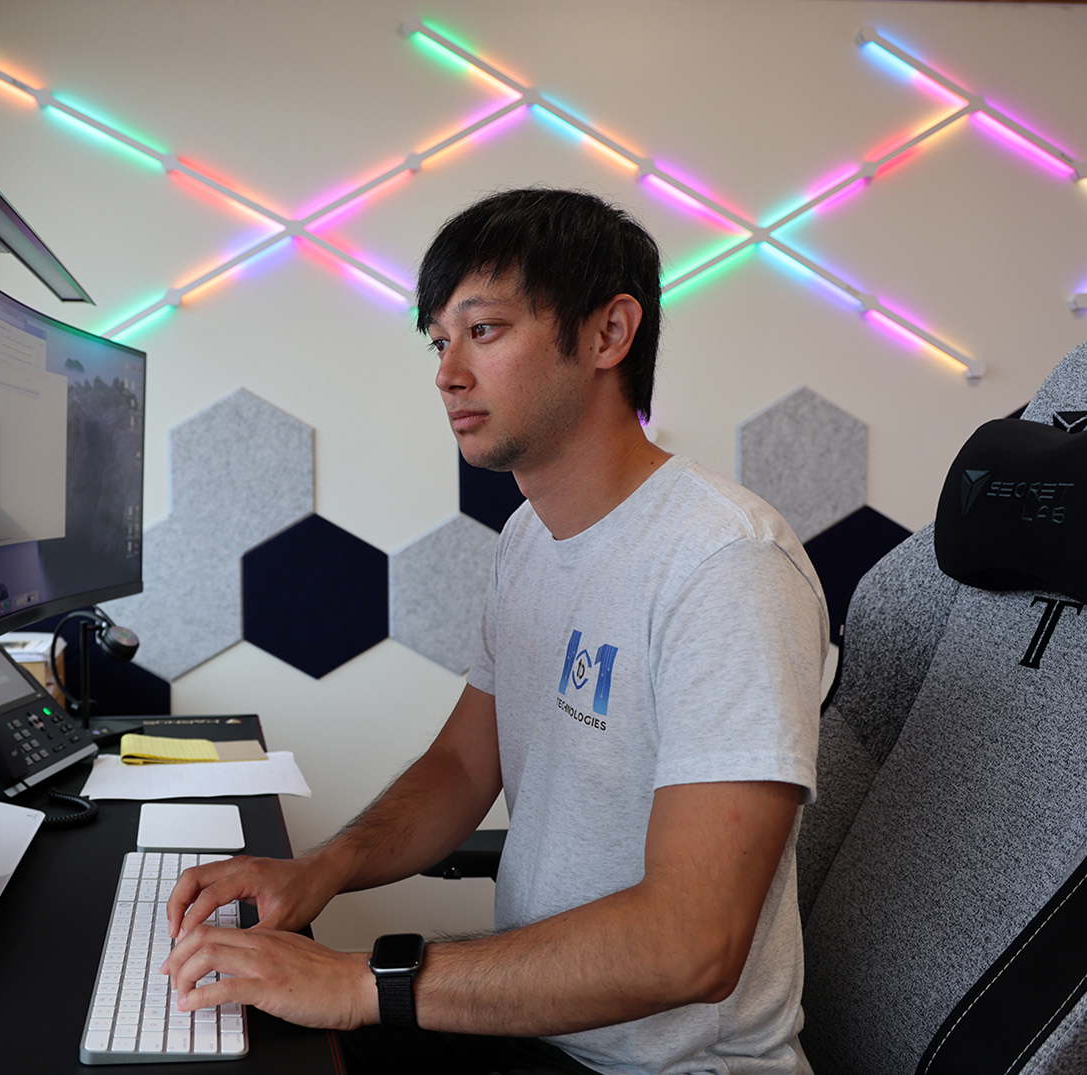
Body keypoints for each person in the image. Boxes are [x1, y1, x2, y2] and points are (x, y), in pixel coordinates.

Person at [161, 187, 827, 1074]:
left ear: (607, 334)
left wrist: (360, 981)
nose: (446, 372)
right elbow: (464, 766)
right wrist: (314, 870)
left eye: (483, 330)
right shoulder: (526, 538)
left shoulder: (722, 565)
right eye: (439, 340)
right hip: (533, 1029)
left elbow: (691, 942)